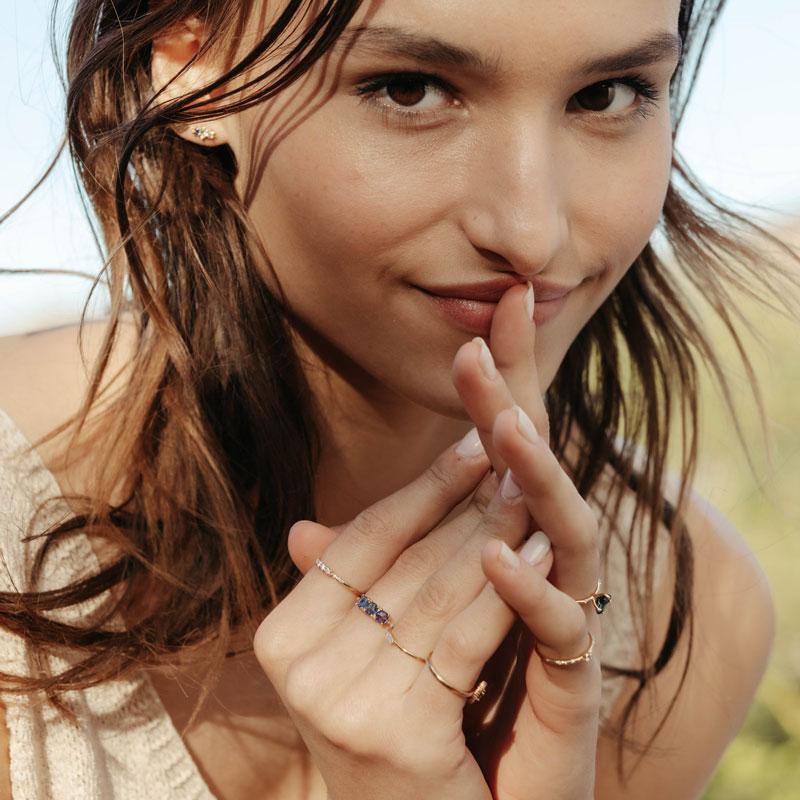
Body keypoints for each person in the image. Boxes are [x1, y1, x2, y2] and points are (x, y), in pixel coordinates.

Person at [0, 0, 797, 798]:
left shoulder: (678, 607)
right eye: (411, 90)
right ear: (191, 65)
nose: (530, 232)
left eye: (607, 95)